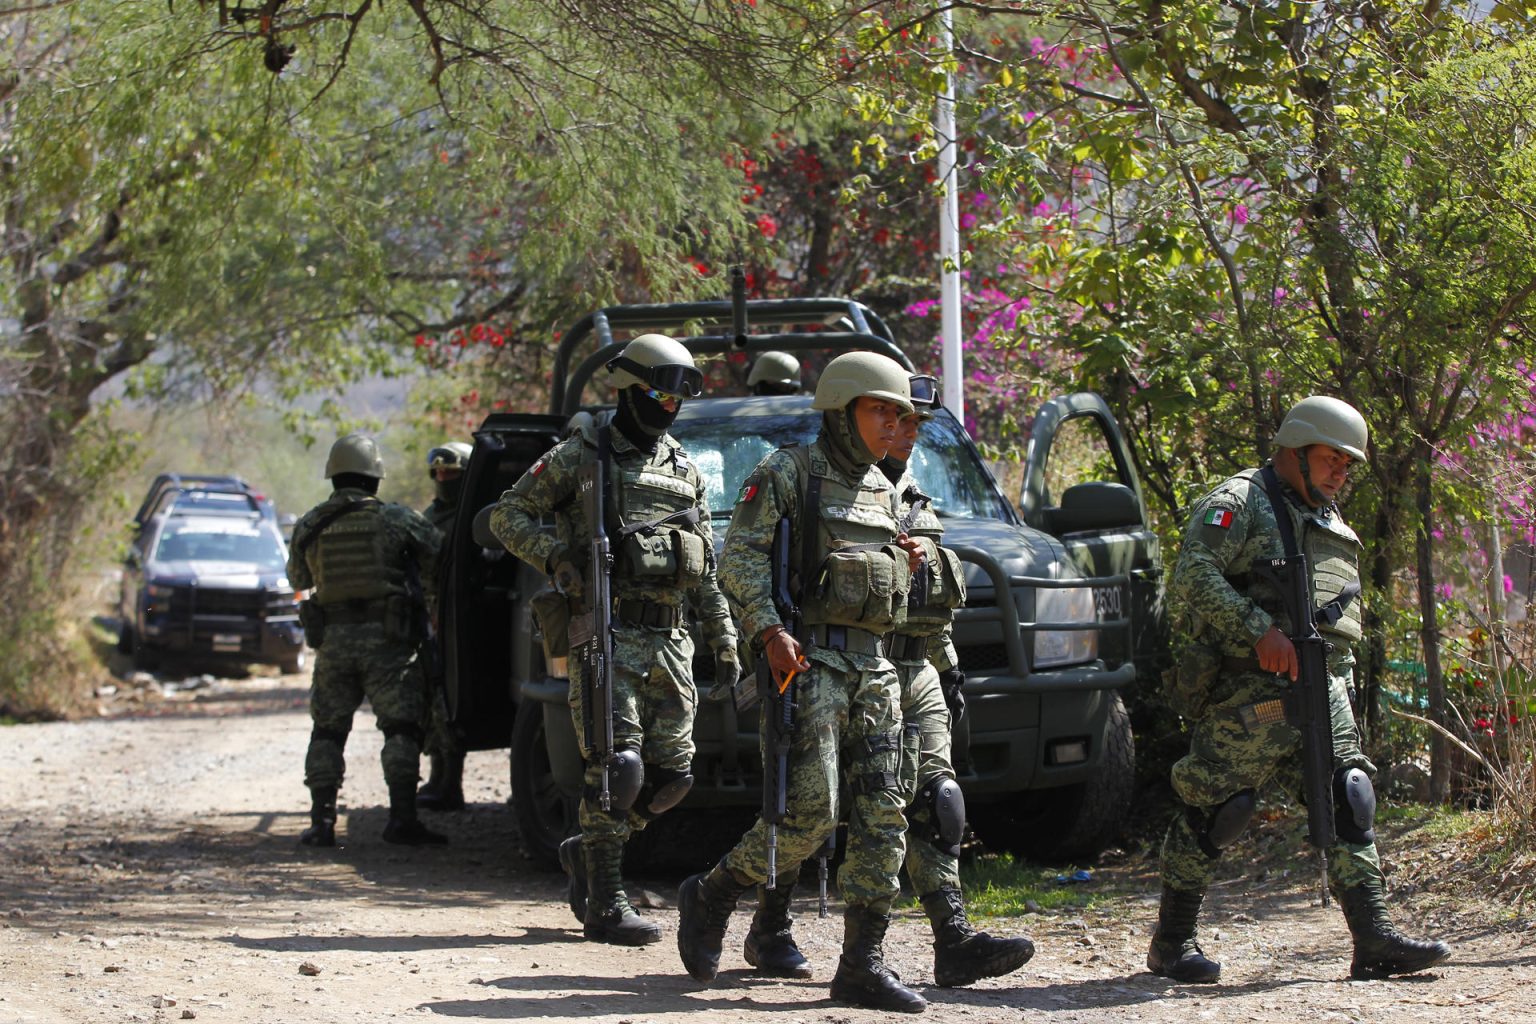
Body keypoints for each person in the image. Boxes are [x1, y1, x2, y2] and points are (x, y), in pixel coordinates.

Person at [1147, 396, 1451, 983]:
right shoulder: (1242, 500)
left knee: (1350, 795)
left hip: (1321, 684)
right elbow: (1193, 572)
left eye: (1347, 463)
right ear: (1295, 450)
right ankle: (1171, 943)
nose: (1341, 471)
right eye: (1331, 458)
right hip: (1250, 695)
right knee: (1217, 809)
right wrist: (1257, 629)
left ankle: (1374, 938)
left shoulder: (1325, 515)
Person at [676, 351, 929, 1013]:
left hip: (874, 669)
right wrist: (766, 630)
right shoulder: (789, 472)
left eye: (899, 414)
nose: (892, 424)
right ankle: (714, 892)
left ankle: (861, 966)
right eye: (881, 410)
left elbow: (877, 576)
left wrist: (904, 560)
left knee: (884, 817)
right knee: (808, 817)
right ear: (844, 409)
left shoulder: (883, 487)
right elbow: (739, 559)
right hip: (808, 665)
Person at [490, 333, 739, 946]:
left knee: (672, 779)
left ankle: (587, 848)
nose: (669, 407)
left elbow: (703, 562)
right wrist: (556, 557)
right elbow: (506, 514)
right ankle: (605, 901)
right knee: (616, 770)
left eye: (679, 397)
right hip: (606, 631)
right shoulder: (584, 455)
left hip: (672, 643)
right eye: (659, 393)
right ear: (629, 390)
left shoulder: (685, 467)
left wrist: (725, 635)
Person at [288, 433, 447, 848]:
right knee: (400, 729)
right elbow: (440, 555)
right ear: (375, 478)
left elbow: (298, 581)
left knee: (327, 731)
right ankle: (402, 819)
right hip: (389, 641)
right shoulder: (396, 519)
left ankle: (321, 823)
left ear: (333, 477)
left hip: (334, 643)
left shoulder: (309, 524)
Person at [417, 441, 473, 813]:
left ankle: (450, 782)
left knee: (449, 701)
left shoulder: (470, 517)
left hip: (459, 619)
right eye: (438, 473)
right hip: (432, 616)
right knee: (431, 699)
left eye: (451, 474)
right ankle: (438, 776)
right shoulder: (429, 516)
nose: (443, 479)